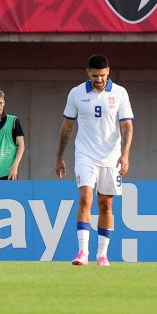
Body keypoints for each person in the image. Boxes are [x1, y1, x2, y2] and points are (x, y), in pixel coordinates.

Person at [55, 54, 134, 267]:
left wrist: (125, 154)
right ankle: (82, 252)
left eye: (102, 75)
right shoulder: (76, 93)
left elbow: (127, 126)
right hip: (85, 155)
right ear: (87, 73)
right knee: (85, 198)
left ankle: (102, 255)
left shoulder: (119, 93)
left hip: (111, 157)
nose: (98, 79)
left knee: (106, 204)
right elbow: (67, 127)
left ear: (108, 72)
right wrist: (60, 156)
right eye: (94, 75)